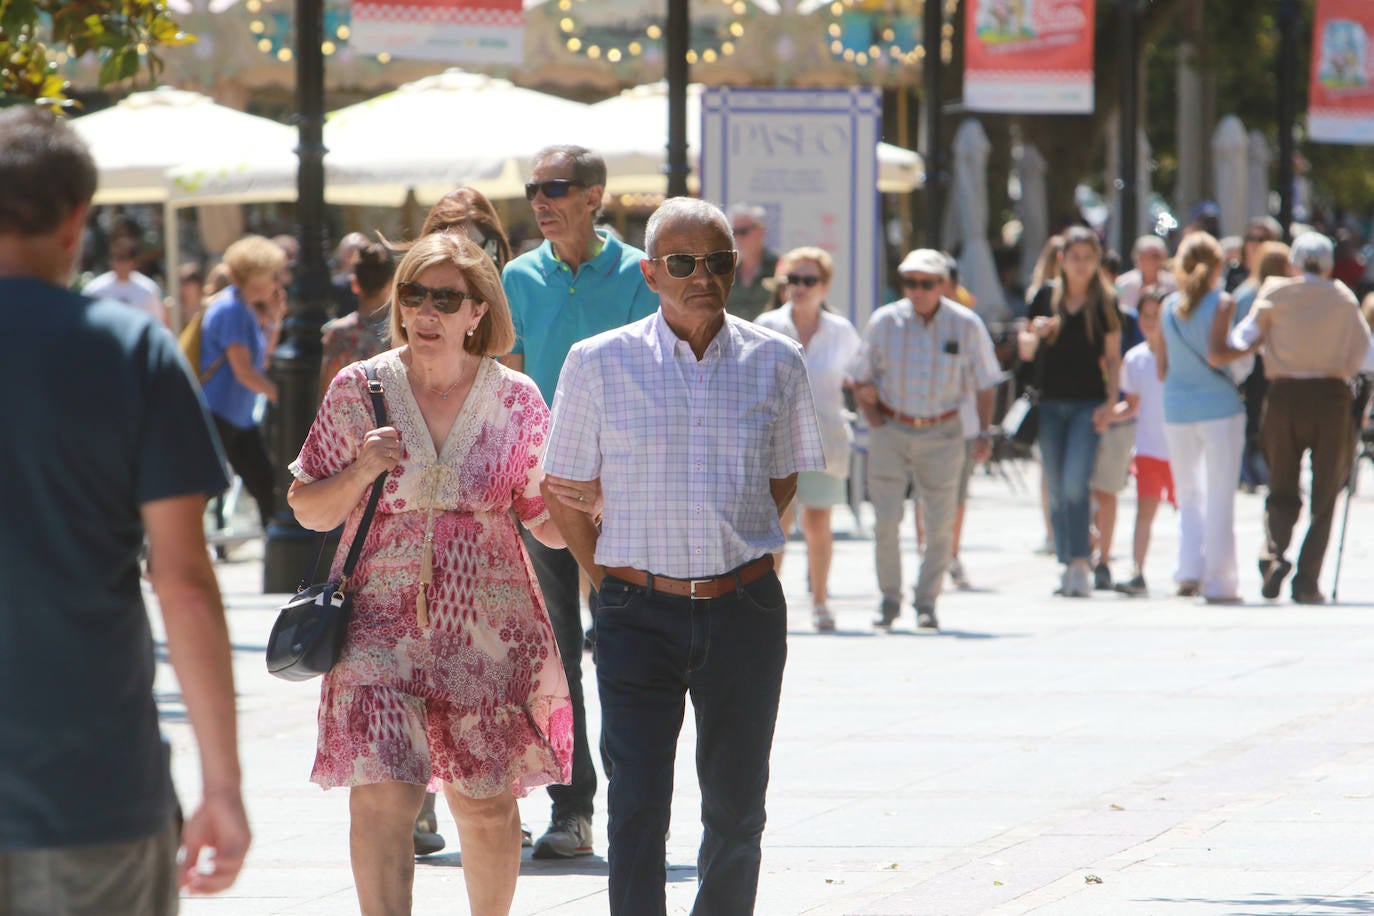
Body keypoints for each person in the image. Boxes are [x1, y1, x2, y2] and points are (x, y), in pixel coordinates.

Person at [539, 197, 825, 915]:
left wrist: (735, 546)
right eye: (683, 262)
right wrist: (607, 581)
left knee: (737, 808)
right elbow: (564, 490)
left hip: (745, 609)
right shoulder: (596, 363)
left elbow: (783, 477)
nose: (703, 276)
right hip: (636, 611)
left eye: (719, 261)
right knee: (637, 805)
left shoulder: (777, 361)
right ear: (650, 272)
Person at [0, 105, 248, 913]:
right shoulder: (130, 350)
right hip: (91, 783)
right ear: (78, 220)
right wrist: (223, 785)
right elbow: (181, 580)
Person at [287, 232, 573, 915]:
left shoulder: (518, 400)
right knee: (383, 795)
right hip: (376, 628)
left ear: (479, 311)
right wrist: (361, 467)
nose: (426, 309)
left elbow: (546, 522)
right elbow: (307, 508)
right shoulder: (360, 388)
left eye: (447, 297)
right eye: (414, 292)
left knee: (483, 803)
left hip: (488, 634)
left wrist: (595, 499)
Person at [501, 144, 658, 859]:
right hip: (538, 496)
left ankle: (635, 809)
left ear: (595, 195)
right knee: (555, 657)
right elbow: (508, 382)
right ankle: (573, 810)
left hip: (622, 495)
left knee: (625, 647)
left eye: (557, 186)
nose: (542, 198)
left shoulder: (636, 273)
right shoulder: (517, 275)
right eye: (534, 187)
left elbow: (652, 379)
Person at [1212, 232, 1372, 603]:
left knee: (1281, 487)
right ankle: (1307, 581)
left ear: (1294, 264)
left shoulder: (1275, 293)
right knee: (1326, 493)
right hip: (1331, 400)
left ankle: (1272, 556)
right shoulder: (1342, 298)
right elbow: (1368, 358)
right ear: (1329, 264)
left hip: (1283, 397)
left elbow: (1242, 339)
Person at [850, 248, 1001, 629]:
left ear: (944, 285)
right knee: (885, 520)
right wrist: (875, 420)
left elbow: (986, 382)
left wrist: (984, 431)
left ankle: (926, 602)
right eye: (910, 283)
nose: (918, 291)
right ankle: (888, 600)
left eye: (926, 284)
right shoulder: (884, 322)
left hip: (943, 431)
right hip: (892, 427)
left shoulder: (966, 324)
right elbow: (859, 377)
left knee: (939, 523)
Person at [757, 245, 862, 631]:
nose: (799, 287)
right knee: (776, 527)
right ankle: (769, 607)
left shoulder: (842, 331)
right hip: (775, 444)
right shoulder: (766, 324)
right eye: (792, 280)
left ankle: (820, 602)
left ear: (825, 285)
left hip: (825, 440)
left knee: (819, 523)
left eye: (808, 280)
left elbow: (858, 375)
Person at [1018, 226, 1123, 597]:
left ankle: (1080, 560)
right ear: (1062, 260)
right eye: (1074, 258)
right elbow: (1025, 348)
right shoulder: (1044, 297)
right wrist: (1037, 334)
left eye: (1088, 259)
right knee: (1058, 486)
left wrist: (1111, 402)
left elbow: (1113, 356)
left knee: (1078, 483)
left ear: (1096, 261)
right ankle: (1066, 560)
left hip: (1087, 405)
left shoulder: (1105, 301)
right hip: (1048, 403)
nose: (1081, 266)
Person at [1156, 231, 1250, 603]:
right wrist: (1252, 346)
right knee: (1220, 494)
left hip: (1176, 409)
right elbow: (1216, 355)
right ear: (1217, 266)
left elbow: (1162, 369)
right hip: (1219, 407)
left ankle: (1188, 569)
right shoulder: (1223, 302)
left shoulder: (1167, 307)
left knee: (1188, 494)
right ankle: (1220, 580)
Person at [200, 234, 288, 530]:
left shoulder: (243, 309)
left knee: (265, 487)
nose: (277, 283)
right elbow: (244, 372)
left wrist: (274, 319)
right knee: (203, 490)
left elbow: (260, 362)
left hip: (237, 417)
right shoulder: (232, 310)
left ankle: (277, 556)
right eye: (273, 275)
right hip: (218, 414)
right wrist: (284, 398)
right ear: (257, 276)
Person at [1112, 287, 1174, 595]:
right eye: (1146, 316)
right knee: (1144, 512)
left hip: (1180, 450)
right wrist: (1107, 415)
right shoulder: (1134, 359)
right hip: (1148, 449)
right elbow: (1131, 404)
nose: (1151, 322)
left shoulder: (1179, 356)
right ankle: (1137, 570)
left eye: (1158, 316)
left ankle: (1193, 570)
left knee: (1188, 512)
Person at [1232, 240, 1293, 490]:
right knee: (1259, 420)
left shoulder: (1245, 293)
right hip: (1263, 367)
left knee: (1257, 420)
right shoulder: (1256, 294)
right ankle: (1254, 470)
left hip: (1261, 367)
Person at [318, 241, 396, 402]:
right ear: (391, 284)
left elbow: (327, 395)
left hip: (349, 423)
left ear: (354, 284)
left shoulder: (338, 334)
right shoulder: (399, 333)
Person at [83, 235, 167, 324]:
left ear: (133, 261)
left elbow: (156, 322)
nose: (117, 262)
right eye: (114, 257)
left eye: (122, 258)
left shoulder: (148, 289)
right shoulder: (95, 289)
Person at [725, 202, 779, 321]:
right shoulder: (726, 270)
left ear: (761, 231)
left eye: (743, 231)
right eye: (734, 232)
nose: (738, 238)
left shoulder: (780, 267)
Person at [1115, 235, 1177, 316]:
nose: (1154, 261)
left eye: (1158, 257)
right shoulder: (1121, 283)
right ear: (1138, 258)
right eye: (1152, 256)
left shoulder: (1173, 284)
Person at [329, 231, 369, 317]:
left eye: (359, 251)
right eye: (350, 251)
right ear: (341, 254)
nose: (354, 255)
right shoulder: (335, 284)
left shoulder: (379, 282)